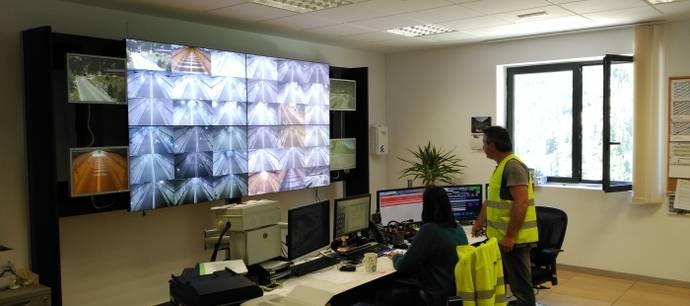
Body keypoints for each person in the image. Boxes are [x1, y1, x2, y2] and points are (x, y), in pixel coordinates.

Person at [472, 126, 539, 306]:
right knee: (509, 283)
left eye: (484, 143)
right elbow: (492, 200)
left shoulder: (513, 166)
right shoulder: (500, 167)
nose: (483, 147)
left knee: (521, 287)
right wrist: (479, 222)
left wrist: (510, 236)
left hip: (515, 240)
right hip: (501, 238)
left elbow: (521, 202)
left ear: (492, 145)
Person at [381, 186, 469, 306]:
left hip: (436, 295)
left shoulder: (429, 230)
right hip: (454, 291)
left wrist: (395, 256)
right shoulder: (457, 227)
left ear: (427, 207)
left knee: (383, 291)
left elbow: (403, 266)